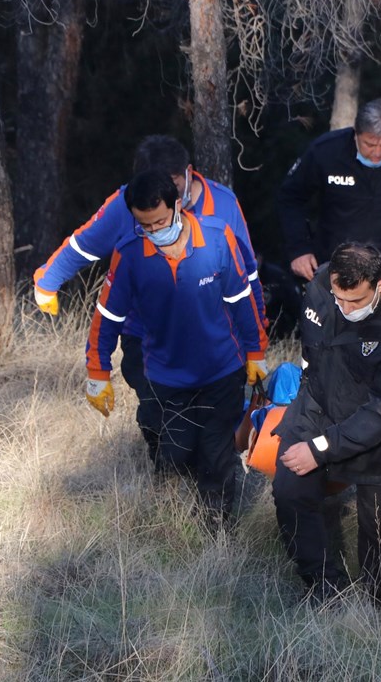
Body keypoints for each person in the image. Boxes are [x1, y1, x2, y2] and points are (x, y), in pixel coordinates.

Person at [34, 135, 266, 450]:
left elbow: (246, 274)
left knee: (215, 427)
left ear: (188, 172)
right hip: (146, 336)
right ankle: (167, 468)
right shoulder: (127, 203)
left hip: (214, 334)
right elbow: (85, 244)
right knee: (165, 422)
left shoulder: (223, 203)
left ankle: (214, 473)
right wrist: (49, 279)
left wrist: (257, 341)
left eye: (173, 185)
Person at [85, 171, 269, 521]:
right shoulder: (129, 254)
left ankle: (216, 532)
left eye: (159, 221)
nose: (154, 232)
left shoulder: (217, 238)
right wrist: (98, 371)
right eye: (145, 226)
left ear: (178, 205)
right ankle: (173, 514)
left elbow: (242, 297)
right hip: (165, 376)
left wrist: (255, 350)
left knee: (217, 456)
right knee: (175, 454)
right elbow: (107, 315)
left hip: (221, 369)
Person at [271, 243, 381, 604]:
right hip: (319, 403)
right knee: (289, 492)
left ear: (379, 287)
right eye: (339, 298)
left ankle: (378, 604)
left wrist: (321, 449)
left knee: (378, 519)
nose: (345, 308)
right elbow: (311, 351)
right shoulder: (321, 283)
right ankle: (324, 589)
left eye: (355, 301)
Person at [277, 98, 381, 281]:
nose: (377, 152)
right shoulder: (326, 151)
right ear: (356, 134)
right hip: (333, 263)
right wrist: (299, 249)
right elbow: (290, 197)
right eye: (370, 144)